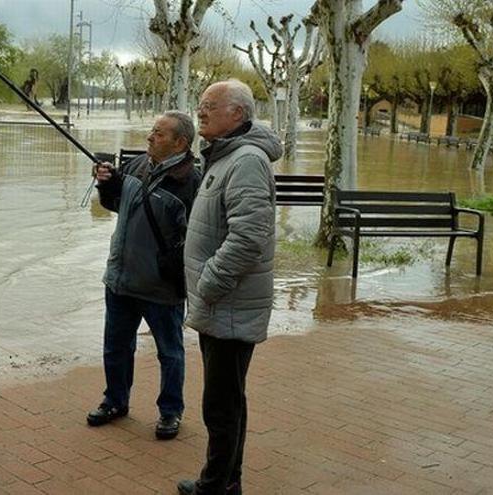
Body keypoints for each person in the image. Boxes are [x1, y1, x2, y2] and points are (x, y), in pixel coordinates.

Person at [177, 80, 282, 494]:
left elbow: (249, 236)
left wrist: (209, 282)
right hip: (221, 302)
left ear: (238, 114)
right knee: (227, 401)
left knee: (221, 405)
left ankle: (214, 486)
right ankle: (225, 482)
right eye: (199, 104)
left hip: (228, 302)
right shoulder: (225, 157)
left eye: (210, 105)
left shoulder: (247, 161)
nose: (200, 111)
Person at [87, 111, 202, 440]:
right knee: (115, 347)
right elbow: (115, 204)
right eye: (152, 131)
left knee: (170, 352)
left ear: (180, 143)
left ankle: (170, 412)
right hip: (121, 279)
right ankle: (115, 401)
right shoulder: (137, 166)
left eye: (159, 134)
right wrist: (106, 183)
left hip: (161, 287)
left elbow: (198, 238)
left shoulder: (191, 182)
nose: (150, 137)